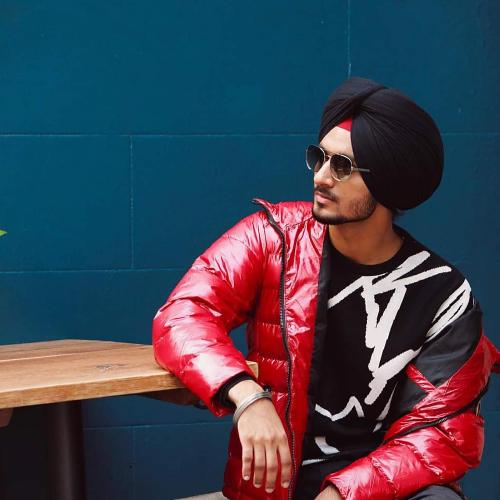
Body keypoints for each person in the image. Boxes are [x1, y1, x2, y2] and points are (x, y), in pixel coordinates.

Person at [152, 77, 500, 499]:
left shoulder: (444, 296)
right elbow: (183, 314)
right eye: (319, 158)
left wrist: (342, 493)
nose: (321, 176)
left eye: (342, 167)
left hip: (383, 489)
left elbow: (442, 435)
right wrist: (247, 396)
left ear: (388, 182)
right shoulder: (275, 239)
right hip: (281, 489)